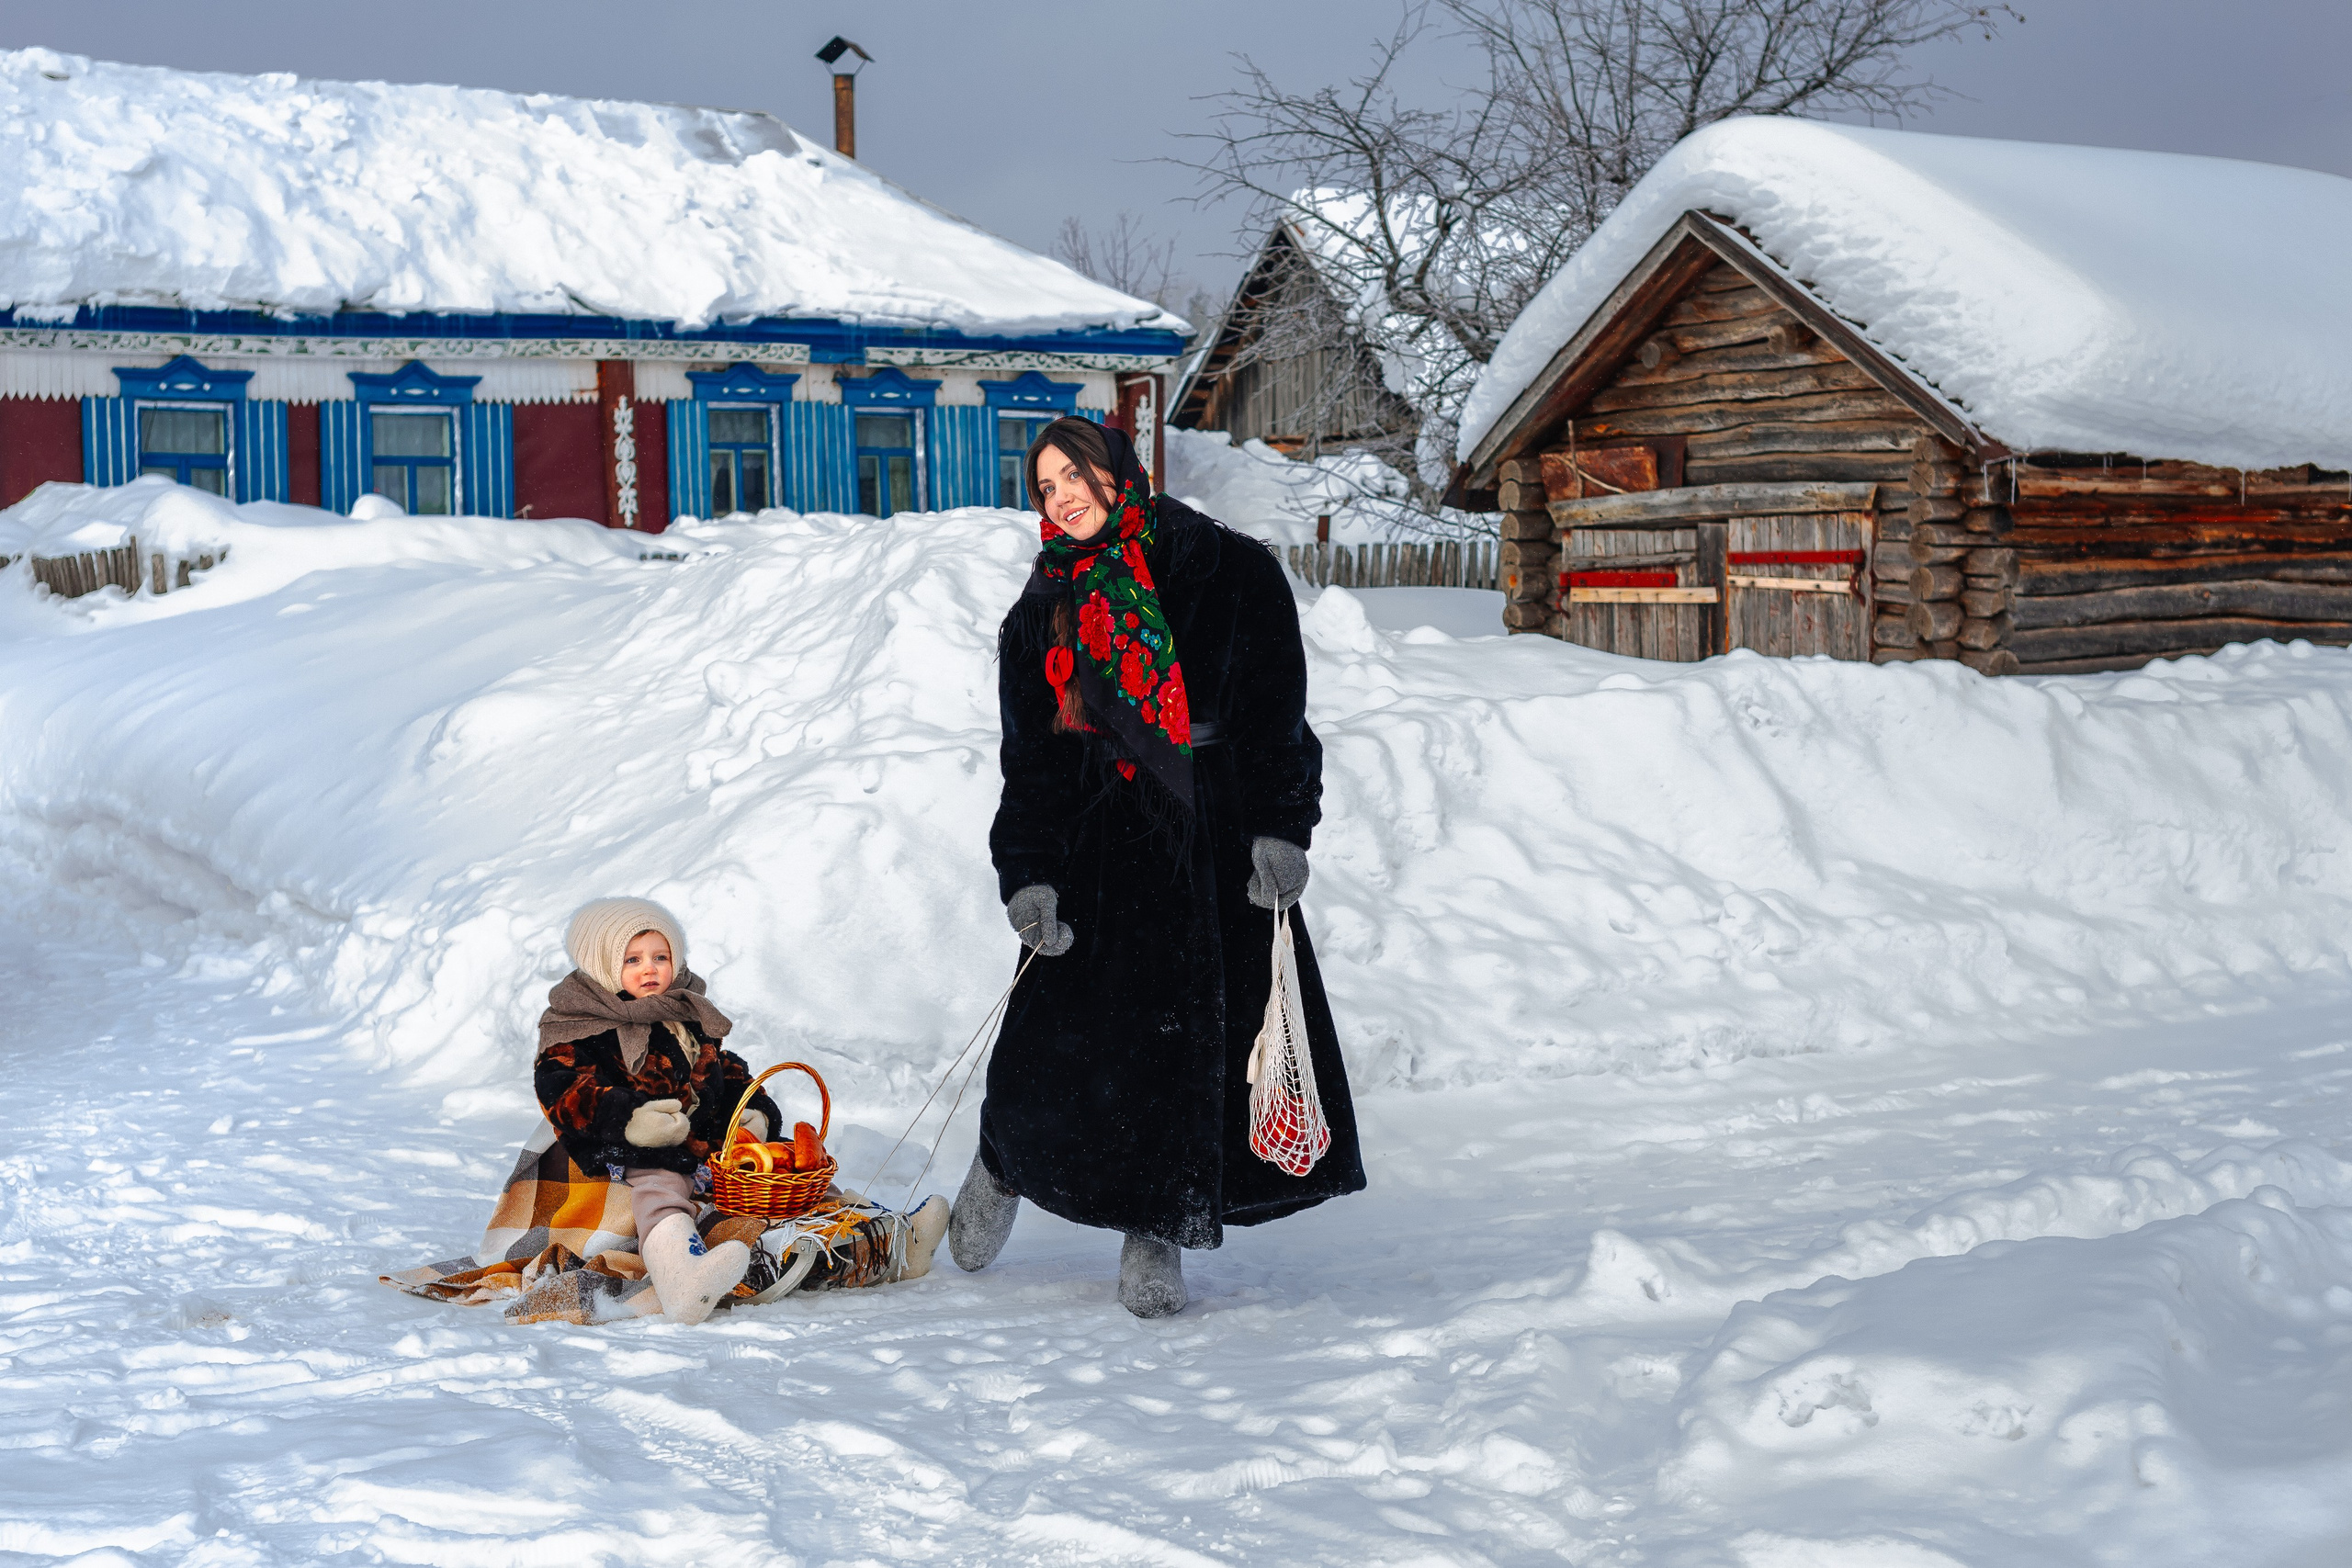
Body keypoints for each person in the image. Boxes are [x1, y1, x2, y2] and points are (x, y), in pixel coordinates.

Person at [948, 417, 1365, 1317]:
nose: (1060, 498)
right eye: (1044, 486)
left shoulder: (1231, 571)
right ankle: (1002, 1161)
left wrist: (1280, 829)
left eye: (1074, 477)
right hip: (1098, 840)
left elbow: (1275, 719)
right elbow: (1034, 763)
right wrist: (1029, 873)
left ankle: (1159, 1230)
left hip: (1212, 837)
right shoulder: (1041, 610)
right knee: (1050, 1040)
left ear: (1119, 476)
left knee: (1195, 1049)